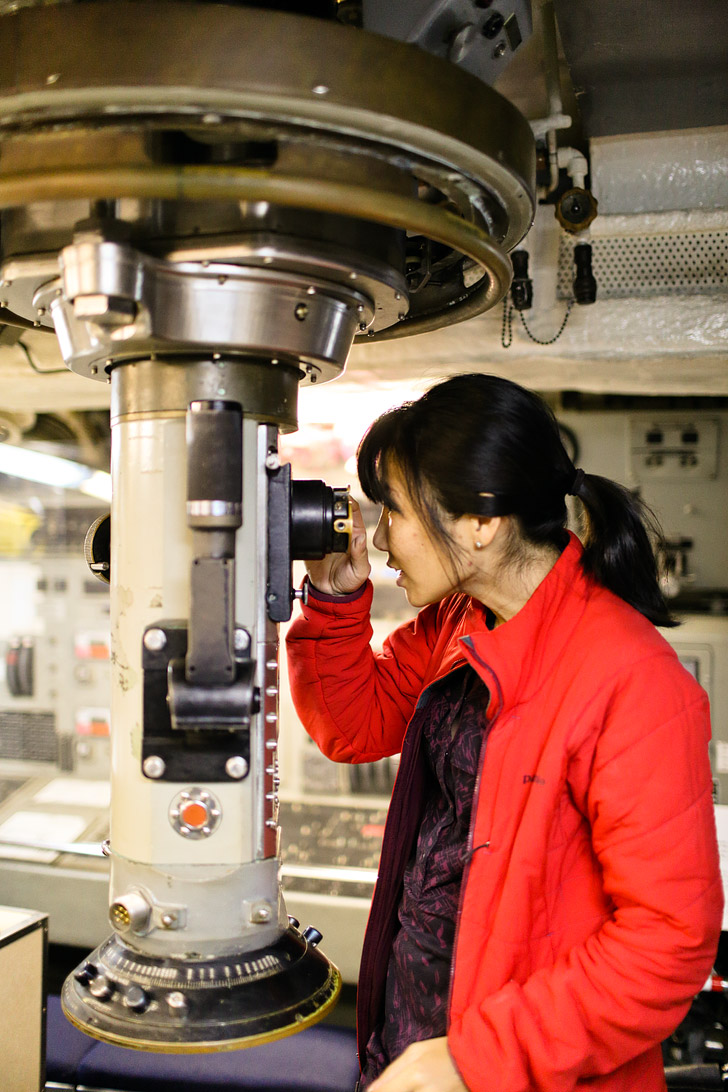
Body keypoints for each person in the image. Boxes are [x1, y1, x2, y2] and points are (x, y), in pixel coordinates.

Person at [285, 374, 723, 1092]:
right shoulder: (457, 625)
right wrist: (335, 602)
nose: (382, 535)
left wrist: (472, 1059)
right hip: (415, 1044)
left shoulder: (632, 680)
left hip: (513, 1067)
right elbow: (355, 726)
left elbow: (667, 946)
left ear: (478, 523)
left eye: (393, 509)